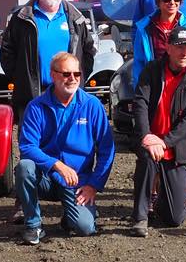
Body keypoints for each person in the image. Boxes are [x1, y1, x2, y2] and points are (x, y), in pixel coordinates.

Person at [15, 51, 115, 245]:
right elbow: (27, 146)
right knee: (24, 167)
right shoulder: (36, 107)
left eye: (76, 74)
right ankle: (34, 225)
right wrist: (56, 165)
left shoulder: (92, 105)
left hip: (77, 180)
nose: (72, 79)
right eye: (66, 74)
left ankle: (72, 217)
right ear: (53, 75)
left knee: (85, 228)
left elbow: (106, 149)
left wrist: (94, 185)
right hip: (46, 176)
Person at [131, 0, 186, 212]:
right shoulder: (145, 26)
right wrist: (140, 89)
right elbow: (139, 62)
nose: (171, 3)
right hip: (155, 85)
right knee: (154, 139)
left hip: (185, 86)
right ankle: (153, 196)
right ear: (158, 1)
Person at [0, 0, 97, 125]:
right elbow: (7, 52)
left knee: (67, 142)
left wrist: (79, 78)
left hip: (67, 95)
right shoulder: (21, 18)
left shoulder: (75, 18)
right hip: (32, 95)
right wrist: (21, 78)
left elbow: (88, 51)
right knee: (32, 143)